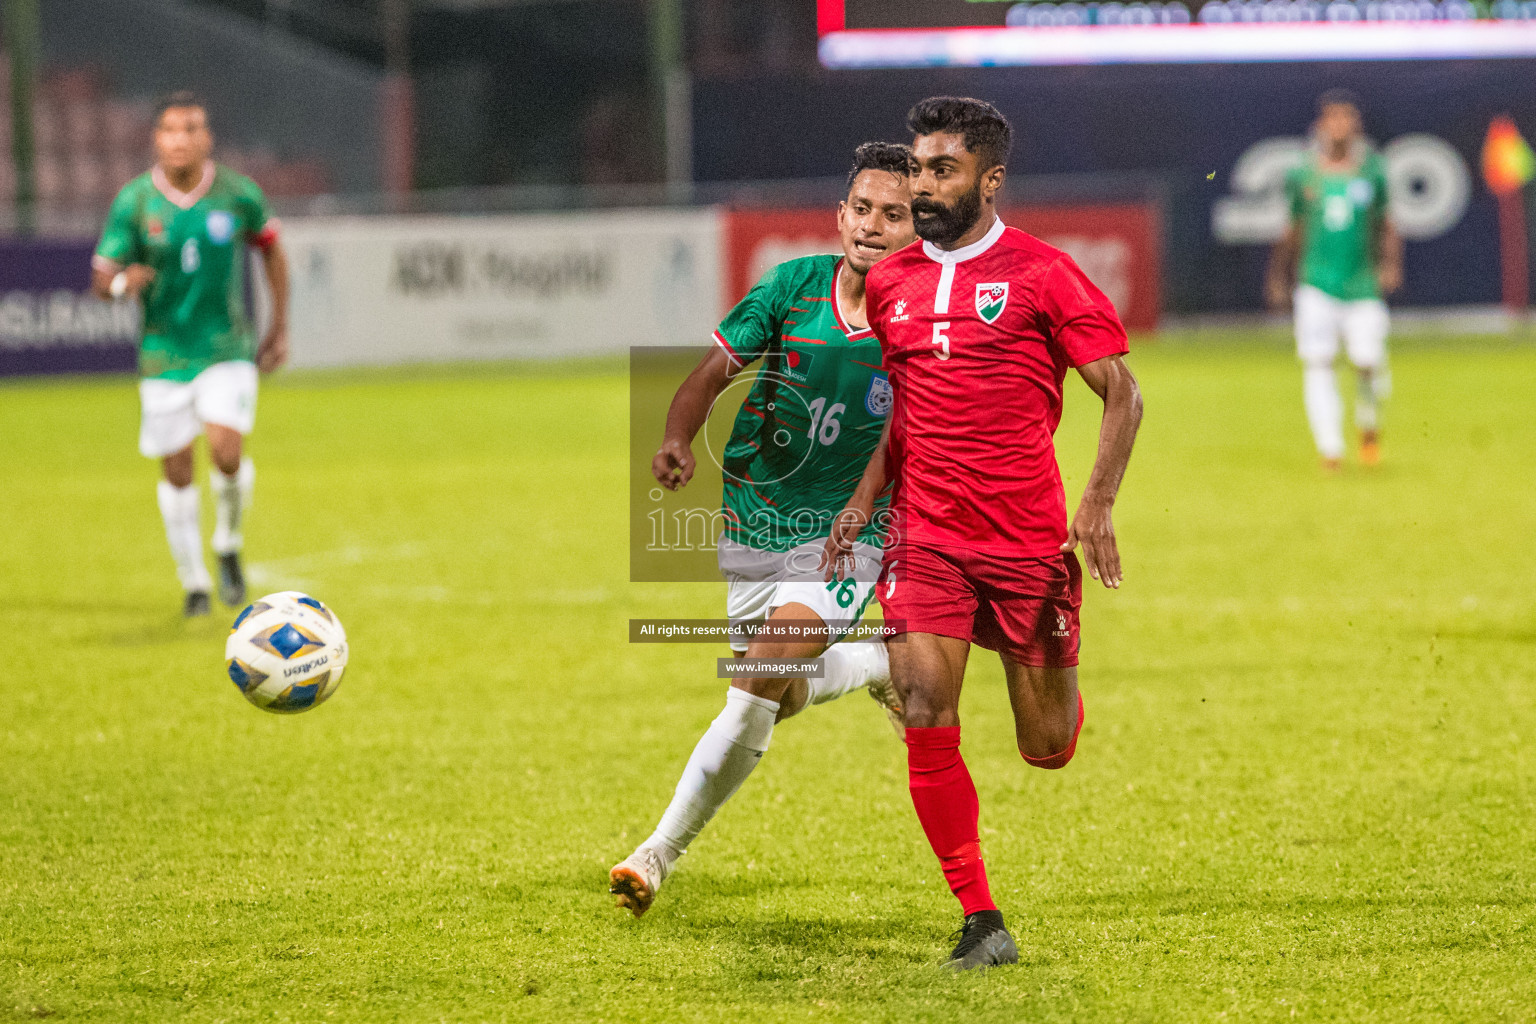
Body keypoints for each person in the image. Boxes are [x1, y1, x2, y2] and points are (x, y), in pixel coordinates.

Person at [823, 97, 1143, 971]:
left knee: (1045, 746)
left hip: (1028, 544)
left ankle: (1055, 705)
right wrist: (862, 501)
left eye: (941, 171)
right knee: (927, 707)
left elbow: (1123, 391)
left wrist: (1099, 503)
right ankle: (980, 917)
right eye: (918, 169)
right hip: (926, 538)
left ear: (988, 180)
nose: (922, 186)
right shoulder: (890, 283)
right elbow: (905, 417)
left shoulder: (1044, 274)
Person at [609, 142, 917, 918]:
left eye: (895, 214)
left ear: (918, 229)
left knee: (755, 684)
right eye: (864, 209)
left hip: (850, 534)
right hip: (754, 522)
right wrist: (678, 438)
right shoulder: (791, 288)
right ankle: (875, 664)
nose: (874, 226)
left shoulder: (920, 319)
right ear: (840, 214)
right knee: (776, 695)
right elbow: (710, 375)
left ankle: (657, 852)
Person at [92, 91, 289, 617]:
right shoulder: (134, 201)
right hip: (163, 355)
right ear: (156, 139)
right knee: (177, 469)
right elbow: (101, 275)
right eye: (170, 130)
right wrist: (118, 287)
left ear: (208, 138)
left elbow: (271, 250)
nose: (180, 139)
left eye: (191, 129)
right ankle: (194, 580)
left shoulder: (237, 194)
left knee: (226, 450)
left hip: (227, 346)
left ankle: (226, 542)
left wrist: (279, 327)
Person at [1266, 88, 1401, 471]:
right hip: (1316, 282)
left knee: (1367, 359)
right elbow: (1293, 228)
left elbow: (1386, 223)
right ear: (1322, 125)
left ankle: (1369, 424)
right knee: (1319, 361)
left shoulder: (1373, 170)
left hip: (1361, 283)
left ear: (1356, 125)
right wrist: (1279, 274)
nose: (1340, 126)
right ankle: (1331, 448)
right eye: (1333, 118)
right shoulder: (1303, 174)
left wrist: (1390, 264)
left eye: (1347, 118)